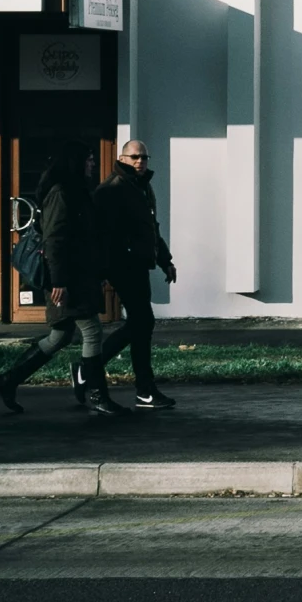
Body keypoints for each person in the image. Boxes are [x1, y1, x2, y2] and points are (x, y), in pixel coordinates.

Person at [0, 140, 132, 419]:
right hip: (69, 280)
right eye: (89, 158)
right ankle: (97, 395)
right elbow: (55, 240)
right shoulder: (61, 193)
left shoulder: (77, 191)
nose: (92, 163)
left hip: (79, 276)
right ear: (75, 161)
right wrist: (59, 282)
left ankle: (7, 380)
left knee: (60, 336)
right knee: (91, 332)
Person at [89, 139, 177, 411]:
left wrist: (166, 261)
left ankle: (90, 368)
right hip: (122, 265)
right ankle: (143, 389)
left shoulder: (142, 187)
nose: (140, 161)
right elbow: (101, 235)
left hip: (139, 264)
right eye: (135, 157)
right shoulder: (111, 189)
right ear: (123, 158)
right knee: (143, 322)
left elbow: (152, 229)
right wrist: (101, 270)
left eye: (144, 157)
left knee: (141, 325)